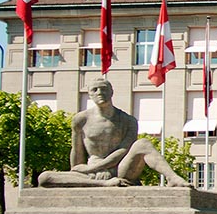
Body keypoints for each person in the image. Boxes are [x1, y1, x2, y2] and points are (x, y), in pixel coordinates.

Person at [38, 78, 190, 188]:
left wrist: (93, 169)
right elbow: (77, 152)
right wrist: (80, 170)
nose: (99, 92)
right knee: (45, 178)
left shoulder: (127, 120)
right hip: (90, 173)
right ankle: (102, 184)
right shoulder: (80, 120)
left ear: (111, 92)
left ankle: (173, 178)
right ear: (89, 94)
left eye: (104, 89)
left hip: (119, 169)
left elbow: (123, 150)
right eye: (94, 90)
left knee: (143, 144)